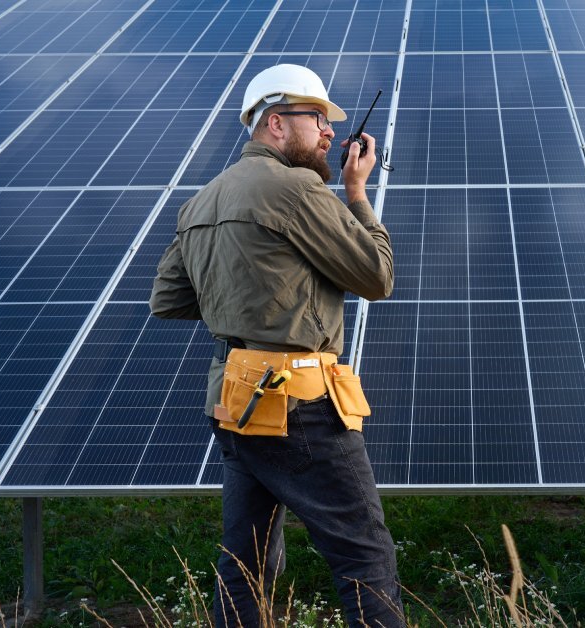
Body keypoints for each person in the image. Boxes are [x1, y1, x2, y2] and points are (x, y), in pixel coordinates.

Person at [149, 64, 402, 627]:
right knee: (366, 554)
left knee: (246, 561)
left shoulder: (202, 202)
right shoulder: (295, 189)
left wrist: (247, 298)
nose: (331, 132)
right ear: (276, 124)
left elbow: (168, 299)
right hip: (300, 404)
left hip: (235, 401)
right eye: (317, 117)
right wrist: (357, 193)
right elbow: (376, 277)